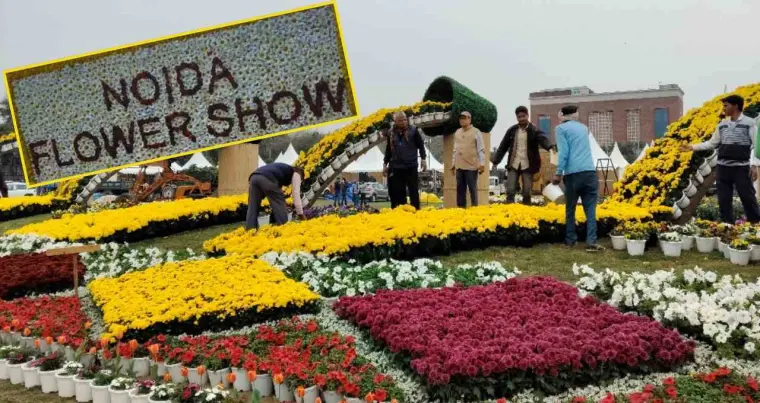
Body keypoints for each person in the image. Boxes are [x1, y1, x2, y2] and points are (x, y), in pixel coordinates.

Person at [681, 94, 760, 223]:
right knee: (724, 199)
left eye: (726, 106)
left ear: (735, 106)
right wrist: (692, 147)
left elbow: (756, 145)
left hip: (741, 168)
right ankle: (728, 227)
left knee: (747, 197)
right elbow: (712, 143)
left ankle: (756, 224)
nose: (723, 108)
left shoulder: (749, 123)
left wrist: (754, 165)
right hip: (723, 168)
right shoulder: (722, 125)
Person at [551, 105, 604, 252]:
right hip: (590, 172)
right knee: (591, 209)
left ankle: (570, 240)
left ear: (562, 115)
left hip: (573, 174)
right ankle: (591, 241)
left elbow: (564, 152)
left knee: (570, 209)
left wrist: (558, 173)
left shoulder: (560, 129)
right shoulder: (584, 128)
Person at [491, 106, 555, 205]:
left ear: (527, 116)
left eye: (523, 116)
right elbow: (503, 146)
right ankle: (509, 210)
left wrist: (550, 146)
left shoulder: (534, 130)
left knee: (526, 191)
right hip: (514, 163)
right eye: (519, 117)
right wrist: (496, 161)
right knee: (510, 189)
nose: (521, 119)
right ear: (517, 118)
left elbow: (543, 139)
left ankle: (526, 210)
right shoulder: (512, 130)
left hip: (528, 165)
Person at [383, 111, 427, 209]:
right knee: (399, 192)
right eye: (400, 120)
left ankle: (416, 211)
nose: (403, 122)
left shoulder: (414, 130)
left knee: (413, 191)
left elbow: (421, 146)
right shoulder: (391, 133)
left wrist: (423, 159)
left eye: (405, 120)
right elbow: (388, 150)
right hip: (397, 167)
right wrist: (385, 164)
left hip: (411, 165)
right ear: (395, 121)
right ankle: (402, 212)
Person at [245, 162, 305, 231]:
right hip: (267, 178)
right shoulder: (297, 174)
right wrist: (300, 214)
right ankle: (283, 229)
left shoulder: (284, 169)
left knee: (253, 206)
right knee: (279, 203)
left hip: (254, 177)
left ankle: (250, 231)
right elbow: (296, 194)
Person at [450, 111, 486, 207]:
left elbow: (481, 149)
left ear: (469, 119)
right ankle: (461, 209)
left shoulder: (476, 132)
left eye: (464, 118)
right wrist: (453, 164)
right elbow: (455, 149)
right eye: (460, 118)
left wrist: (482, 164)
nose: (462, 120)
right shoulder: (457, 132)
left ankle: (475, 208)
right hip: (459, 166)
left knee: (472, 189)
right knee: (460, 190)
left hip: (471, 166)